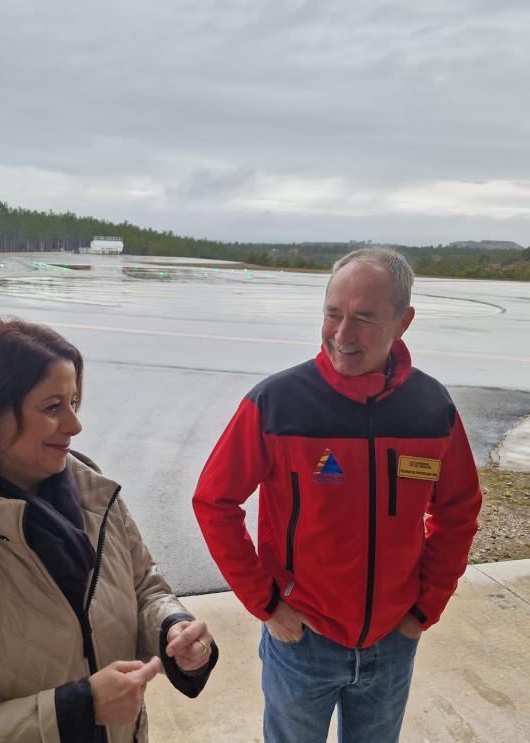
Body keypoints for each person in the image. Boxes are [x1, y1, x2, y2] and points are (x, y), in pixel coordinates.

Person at [0, 318, 217, 743]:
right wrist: (79, 710)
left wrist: (172, 629)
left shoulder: (98, 500)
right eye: (52, 407)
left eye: (74, 403)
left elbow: (145, 588)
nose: (75, 425)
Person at [193, 248, 481, 743]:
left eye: (365, 319)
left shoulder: (431, 410)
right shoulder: (278, 403)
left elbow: (458, 511)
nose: (342, 335)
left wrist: (424, 608)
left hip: (393, 642)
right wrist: (266, 604)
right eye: (333, 314)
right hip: (303, 641)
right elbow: (214, 502)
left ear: (403, 322)